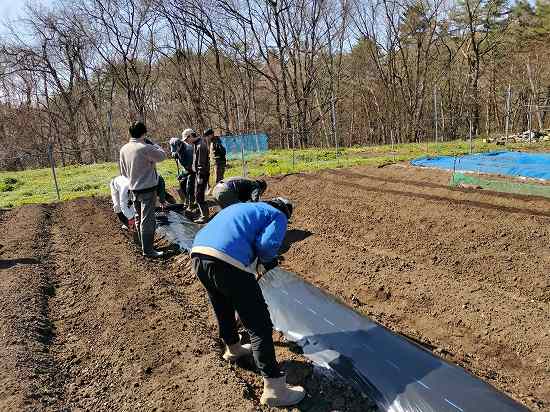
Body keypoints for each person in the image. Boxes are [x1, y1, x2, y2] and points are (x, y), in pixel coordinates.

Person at [190, 198, 305, 407]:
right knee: (258, 323)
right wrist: (268, 260)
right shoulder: (278, 215)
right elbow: (267, 245)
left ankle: (233, 348)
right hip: (226, 260)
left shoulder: (244, 207)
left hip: (199, 254)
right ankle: (274, 389)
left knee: (222, 305)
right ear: (286, 211)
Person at [119, 121, 167, 258]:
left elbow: (123, 172)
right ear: (144, 133)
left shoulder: (124, 149)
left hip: (133, 189)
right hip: (148, 189)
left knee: (139, 218)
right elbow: (162, 156)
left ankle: (143, 246)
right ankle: (148, 250)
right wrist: (154, 144)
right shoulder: (145, 147)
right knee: (148, 220)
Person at [171, 130, 196, 208]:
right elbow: (184, 165)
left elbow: (190, 168)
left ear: (179, 145)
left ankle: (192, 203)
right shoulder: (178, 150)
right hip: (186, 169)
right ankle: (186, 200)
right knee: (182, 183)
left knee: (189, 185)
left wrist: (182, 174)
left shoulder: (188, 151)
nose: (175, 151)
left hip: (194, 170)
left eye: (176, 149)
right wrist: (175, 154)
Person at [191, 128, 211, 223]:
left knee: (199, 195)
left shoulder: (200, 145)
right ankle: (204, 215)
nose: (186, 141)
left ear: (191, 136)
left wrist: (200, 176)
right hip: (200, 173)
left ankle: (204, 217)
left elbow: (201, 163)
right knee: (198, 195)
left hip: (202, 174)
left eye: (187, 139)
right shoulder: (197, 144)